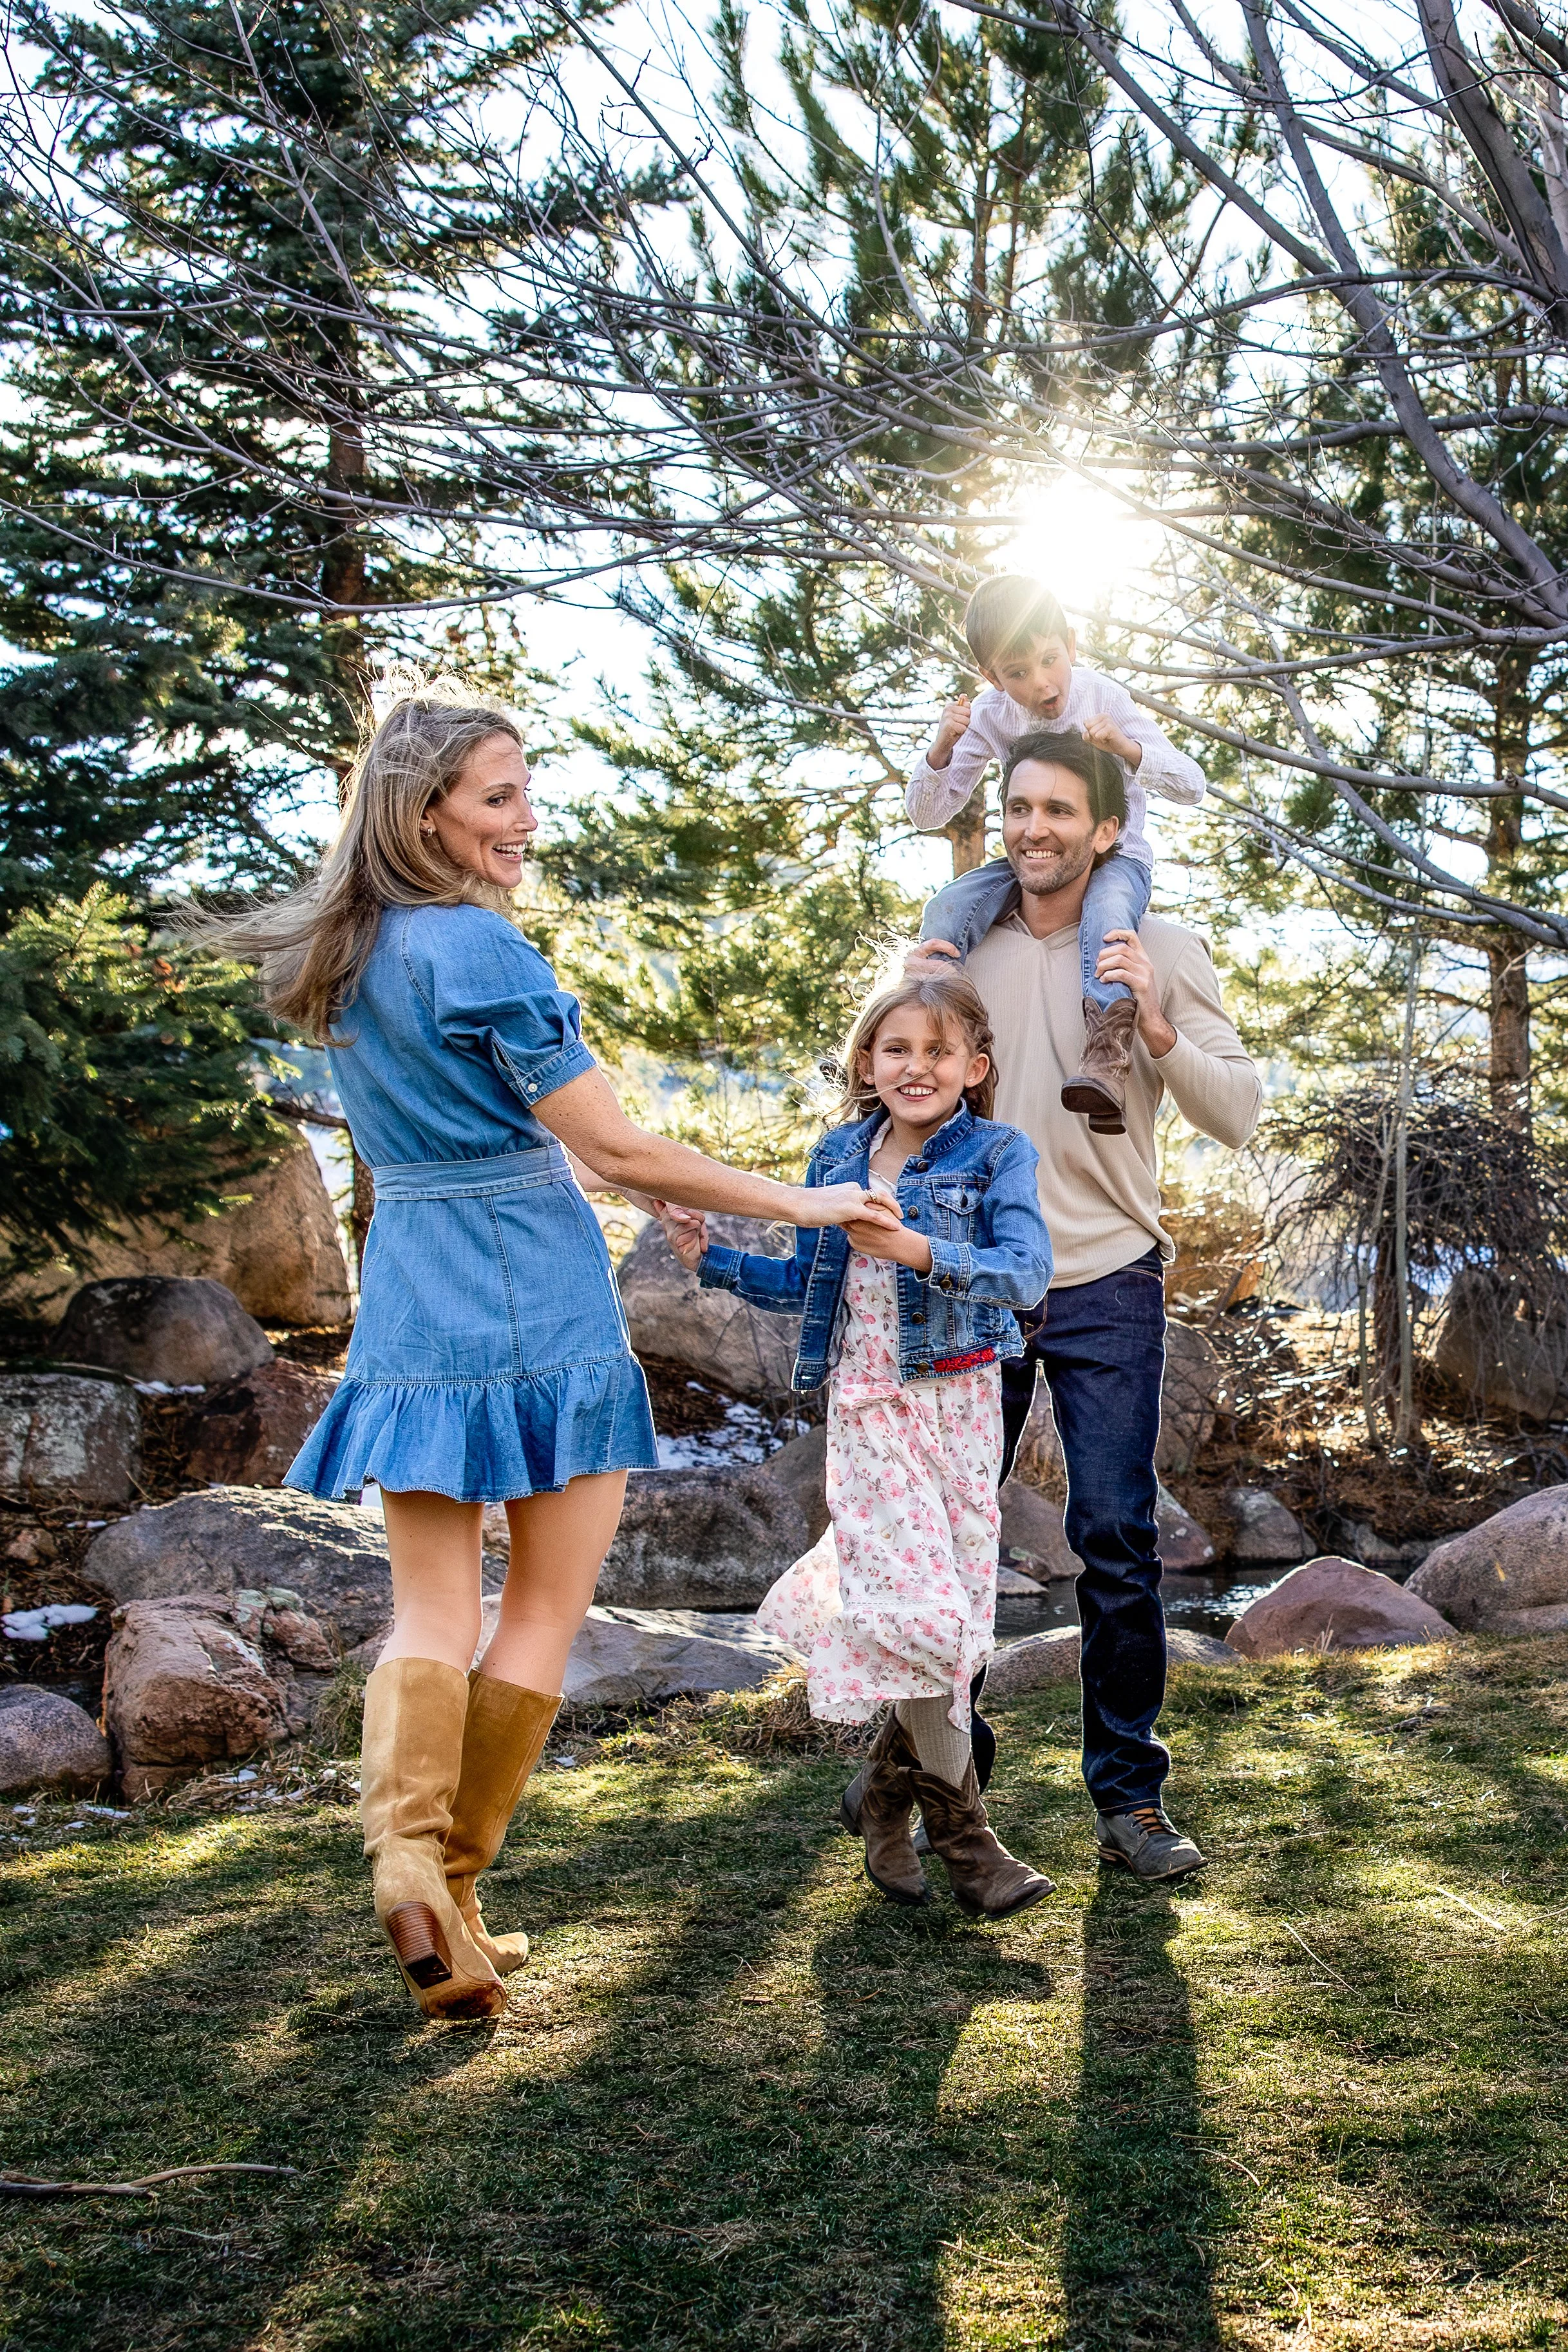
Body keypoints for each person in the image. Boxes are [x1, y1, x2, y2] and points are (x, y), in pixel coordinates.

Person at [206, 677, 899, 2020]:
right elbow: (613, 1141)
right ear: (425, 812)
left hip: (414, 1288)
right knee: (538, 1606)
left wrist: (625, 1176)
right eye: (498, 797)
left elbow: (479, 1126)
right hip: (531, 1284)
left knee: (430, 1605)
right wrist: (811, 1198)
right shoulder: (481, 952)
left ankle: (423, 1879)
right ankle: (448, 1871)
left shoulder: (349, 954)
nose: (526, 820)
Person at [912, 728, 1261, 1881]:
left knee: (1115, 1543)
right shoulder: (968, 947)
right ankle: (943, 1790)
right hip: (976, 1280)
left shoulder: (1152, 941)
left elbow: (1241, 1107)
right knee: (957, 1546)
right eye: (1018, 808)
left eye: (1060, 811)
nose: (1032, 830)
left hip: (1112, 1276)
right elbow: (903, 1085)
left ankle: (1130, 1799)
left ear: (1107, 830)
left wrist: (1158, 1023)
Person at [656, 967, 1054, 1921]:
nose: (915, 1066)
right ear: (866, 1065)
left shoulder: (998, 1153)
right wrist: (705, 1258)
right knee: (923, 1615)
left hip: (961, 1408)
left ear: (974, 1065)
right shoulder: (836, 1154)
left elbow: (1027, 1274)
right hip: (871, 1406)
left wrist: (919, 1251)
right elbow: (806, 1286)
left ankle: (880, 1796)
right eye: (895, 1049)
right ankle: (969, 1843)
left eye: (936, 1050)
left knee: (955, 1623)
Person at [905, 574, 1206, 1135]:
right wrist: (941, 748)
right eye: (1017, 673)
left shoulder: (1103, 696)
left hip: (1115, 856)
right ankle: (936, 1018)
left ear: (1070, 643)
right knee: (948, 907)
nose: (1040, 683)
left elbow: (1191, 784)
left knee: (1108, 921)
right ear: (992, 677)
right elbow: (928, 813)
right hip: (1038, 857)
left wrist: (1125, 747)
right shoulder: (993, 715)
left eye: (1049, 659)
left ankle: (1105, 1056)